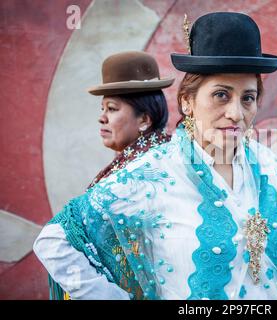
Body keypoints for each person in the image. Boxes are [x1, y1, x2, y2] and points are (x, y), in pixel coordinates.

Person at [34, 12, 277, 300]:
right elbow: (56, 241)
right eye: (221, 95)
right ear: (187, 102)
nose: (236, 113)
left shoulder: (273, 171)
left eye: (248, 98)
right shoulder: (152, 174)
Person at [33, 51, 174, 299]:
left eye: (112, 108)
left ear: (144, 118)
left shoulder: (144, 171)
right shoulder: (155, 157)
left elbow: (52, 243)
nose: (102, 117)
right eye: (103, 108)